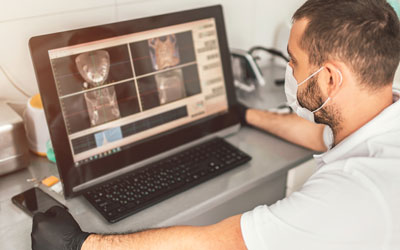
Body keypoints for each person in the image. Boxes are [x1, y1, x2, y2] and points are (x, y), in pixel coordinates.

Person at [31, 0, 400, 249]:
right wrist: (242, 114)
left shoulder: (352, 193)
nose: (289, 70)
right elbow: (320, 135)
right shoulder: (383, 116)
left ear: (331, 79)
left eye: (294, 61)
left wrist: (82, 244)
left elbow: (214, 242)